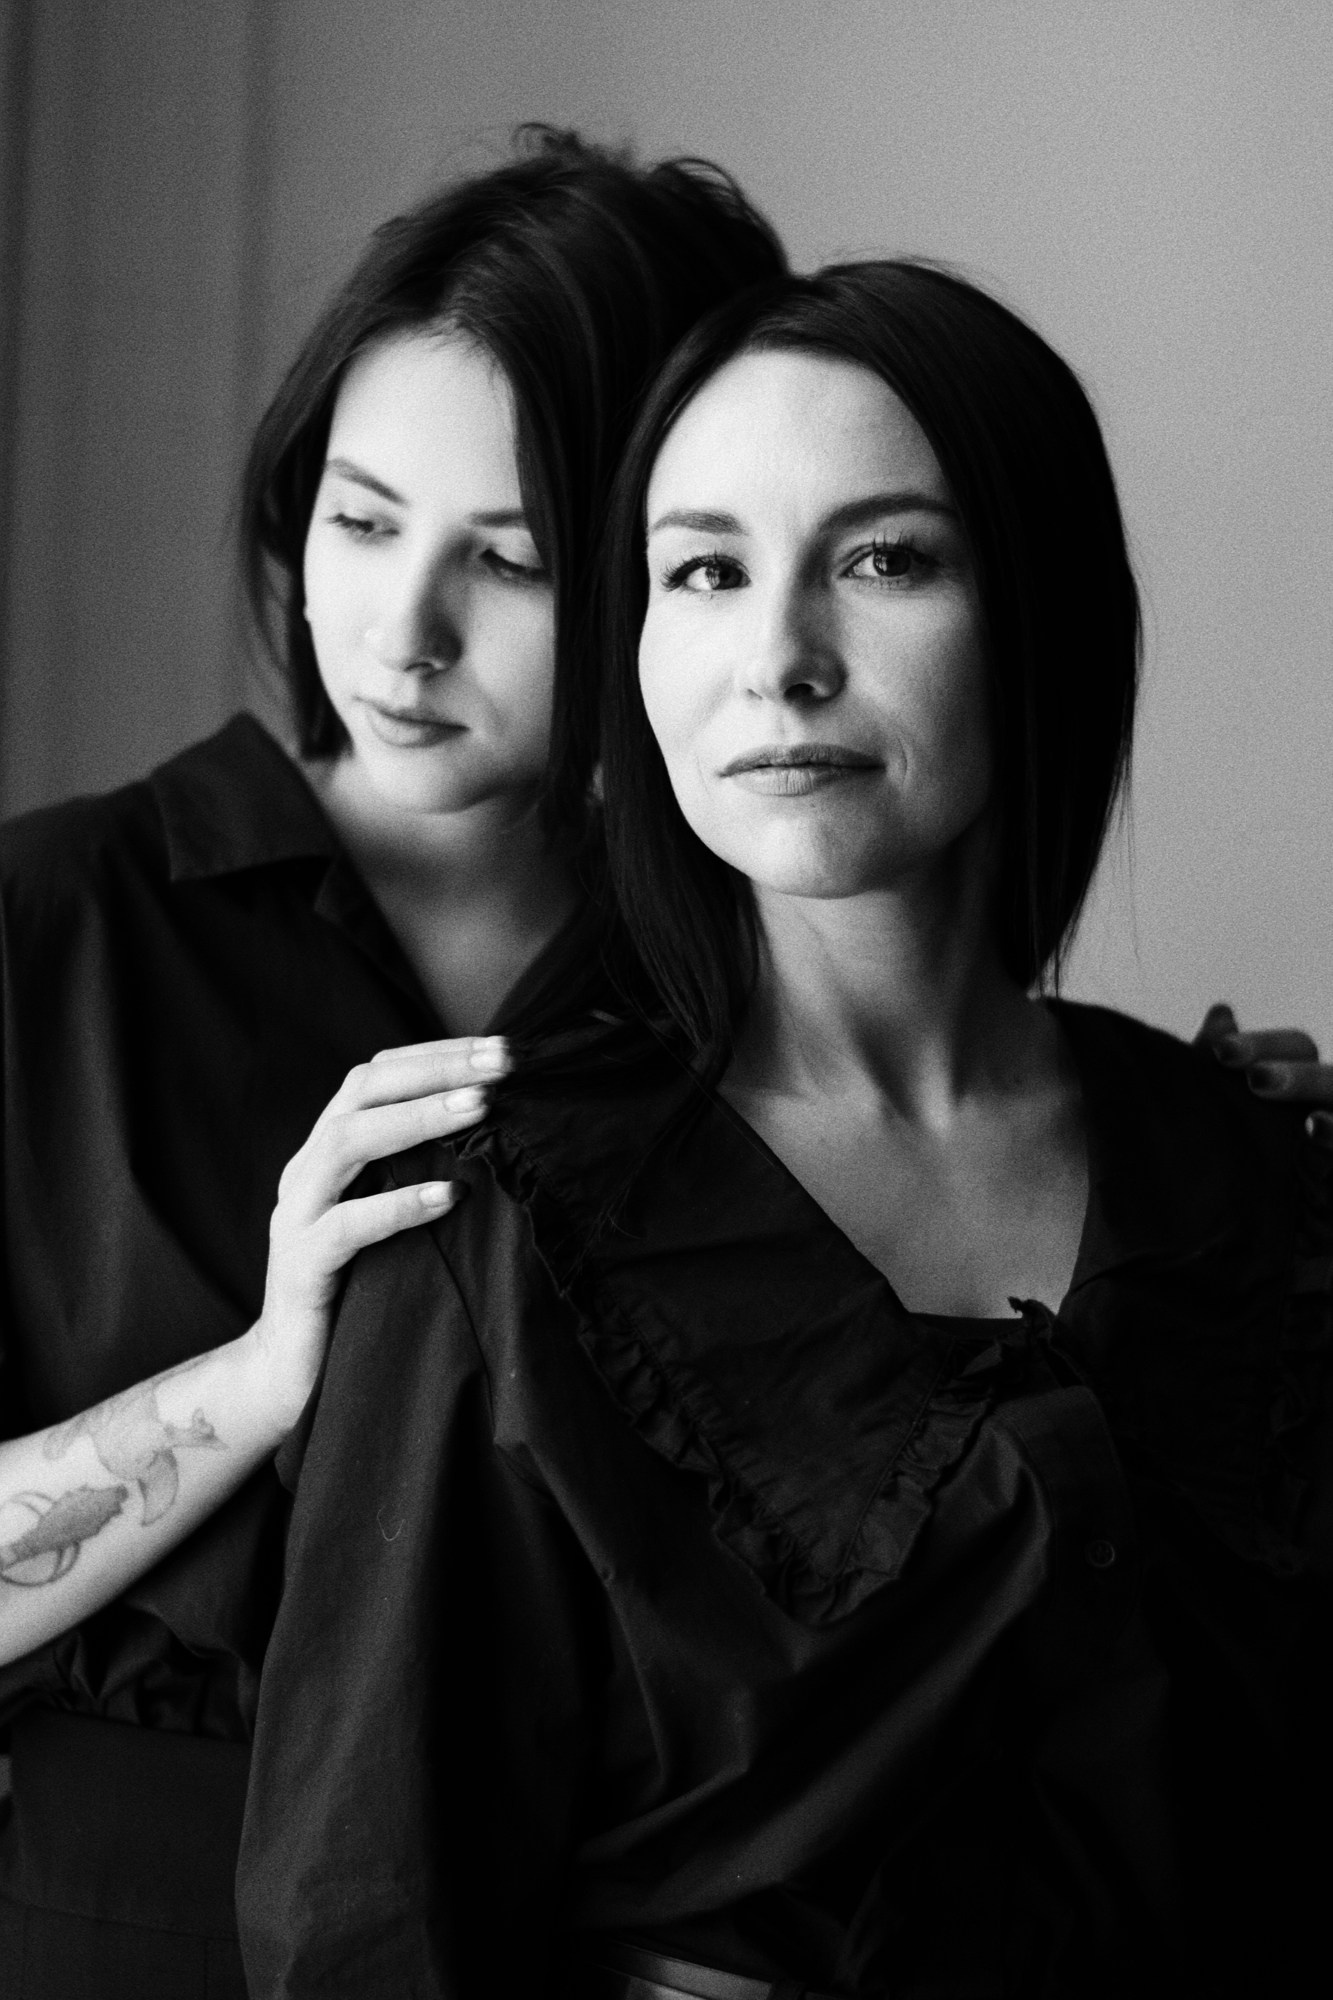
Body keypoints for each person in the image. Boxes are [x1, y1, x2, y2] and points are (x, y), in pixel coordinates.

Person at [236, 262, 1333, 1998]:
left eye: (883, 561)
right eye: (704, 571)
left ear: (1042, 614)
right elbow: (366, 1930)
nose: (779, 662)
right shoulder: (491, 1222)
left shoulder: (1251, 1176)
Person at [0, 129, 787, 1999]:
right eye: (360, 525)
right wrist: (256, 1384)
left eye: (507, 562)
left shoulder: (736, 990)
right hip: (132, 1927)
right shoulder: (58, 926)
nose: (403, 634)